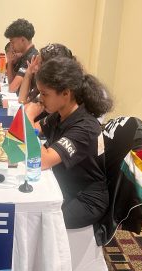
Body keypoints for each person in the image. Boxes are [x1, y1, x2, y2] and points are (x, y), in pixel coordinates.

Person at [25, 57, 113, 229]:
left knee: (37, 221)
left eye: (44, 93)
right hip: (64, 182)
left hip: (85, 199)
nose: (40, 99)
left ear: (66, 93)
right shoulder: (60, 114)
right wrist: (29, 125)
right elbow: (33, 130)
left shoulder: (85, 127)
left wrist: (28, 116)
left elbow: (43, 161)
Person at [4, 19, 38, 94]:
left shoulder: (31, 58)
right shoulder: (24, 55)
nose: (11, 46)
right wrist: (10, 62)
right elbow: (11, 82)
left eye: (12, 42)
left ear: (22, 40)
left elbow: (12, 88)